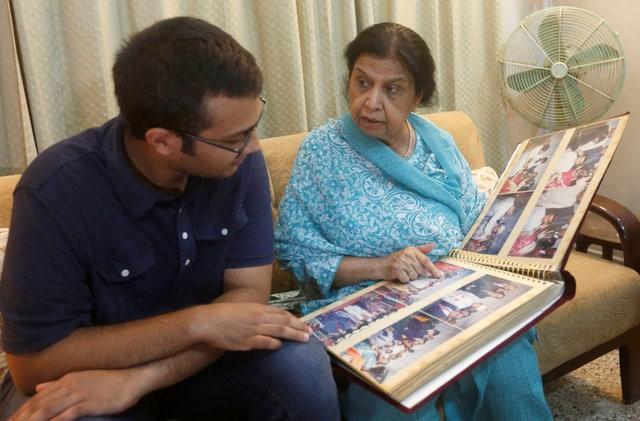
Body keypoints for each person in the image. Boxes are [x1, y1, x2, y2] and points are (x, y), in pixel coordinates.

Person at [0, 17, 339, 420]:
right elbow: (32, 366)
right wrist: (196, 323)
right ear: (162, 141)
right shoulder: (55, 191)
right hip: (95, 378)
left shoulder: (237, 164)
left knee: (301, 363)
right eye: (235, 139)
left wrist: (141, 379)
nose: (252, 148)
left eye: (252, 128)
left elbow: (248, 301)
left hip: (204, 362)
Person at [274, 22, 551, 420]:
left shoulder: (437, 142)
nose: (370, 102)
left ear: (418, 96)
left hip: (456, 289)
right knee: (397, 395)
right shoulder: (322, 152)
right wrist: (381, 266)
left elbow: (476, 219)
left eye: (392, 89)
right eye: (362, 82)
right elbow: (294, 251)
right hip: (369, 302)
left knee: (508, 354)